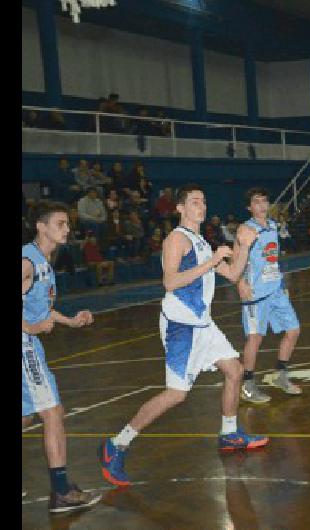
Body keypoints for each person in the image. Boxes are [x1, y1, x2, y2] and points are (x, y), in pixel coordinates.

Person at [98, 184, 266, 487]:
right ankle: (116, 444)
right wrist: (212, 262)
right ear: (180, 208)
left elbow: (231, 274)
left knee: (234, 369)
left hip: (202, 323)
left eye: (203, 201)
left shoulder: (201, 240)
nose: (201, 206)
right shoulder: (177, 239)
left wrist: (244, 246)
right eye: (194, 201)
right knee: (176, 395)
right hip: (181, 326)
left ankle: (229, 433)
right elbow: (170, 281)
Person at [22, 202, 101, 512]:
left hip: (29, 341)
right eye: (60, 224)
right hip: (24, 344)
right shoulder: (27, 261)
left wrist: (70, 320)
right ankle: (60, 491)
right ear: (41, 227)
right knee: (53, 412)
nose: (67, 229)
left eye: (67, 224)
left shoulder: (44, 261)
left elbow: (43, 310)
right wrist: (30, 326)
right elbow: (34, 320)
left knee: (27, 416)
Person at [235, 188, 303, 403]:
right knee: (255, 338)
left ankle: (281, 375)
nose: (262, 205)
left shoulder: (273, 226)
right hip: (256, 293)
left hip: (276, 290)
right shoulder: (245, 229)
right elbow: (235, 261)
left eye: (265, 201)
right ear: (249, 207)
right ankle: (247, 384)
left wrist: (282, 283)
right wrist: (240, 283)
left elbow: (272, 259)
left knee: (293, 330)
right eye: (257, 202)